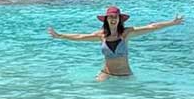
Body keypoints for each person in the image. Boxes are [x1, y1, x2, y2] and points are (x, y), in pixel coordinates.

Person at [47, 6, 185, 81]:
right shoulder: (101, 35)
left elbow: (151, 27)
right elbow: (80, 36)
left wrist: (171, 23)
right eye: (110, 17)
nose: (113, 19)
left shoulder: (126, 33)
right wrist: (60, 35)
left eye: (116, 17)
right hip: (105, 74)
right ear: (106, 20)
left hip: (125, 76)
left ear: (120, 19)